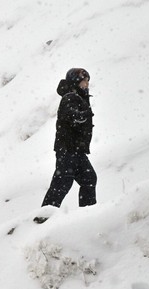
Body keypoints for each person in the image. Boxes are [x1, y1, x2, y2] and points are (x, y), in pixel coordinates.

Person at [36, 68, 97, 223]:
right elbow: (73, 117)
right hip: (68, 150)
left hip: (76, 150)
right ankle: (42, 219)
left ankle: (88, 217)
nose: (87, 84)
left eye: (88, 81)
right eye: (84, 81)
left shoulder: (78, 96)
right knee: (62, 184)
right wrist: (85, 115)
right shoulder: (70, 97)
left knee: (89, 178)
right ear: (76, 81)